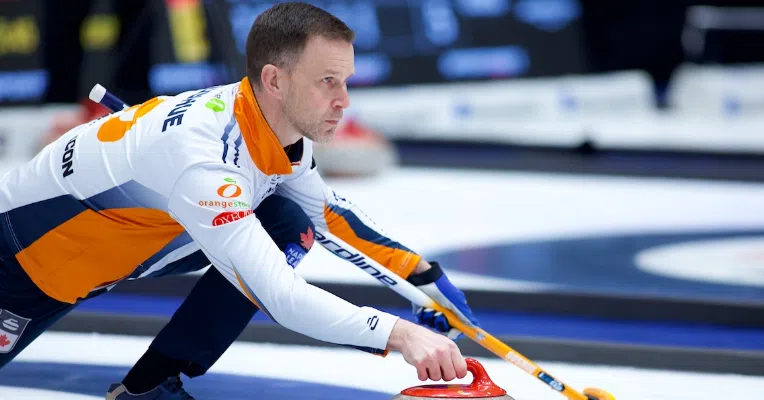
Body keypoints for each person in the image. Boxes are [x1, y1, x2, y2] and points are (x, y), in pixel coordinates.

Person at [0, 2, 480, 399]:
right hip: (25, 262)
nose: (344, 101)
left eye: (346, 80)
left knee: (287, 222)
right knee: (262, 250)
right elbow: (283, 298)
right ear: (275, 79)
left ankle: (148, 388)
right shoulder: (206, 163)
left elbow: (326, 213)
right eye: (327, 81)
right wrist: (404, 335)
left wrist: (421, 275)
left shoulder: (268, 119)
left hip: (116, 247)